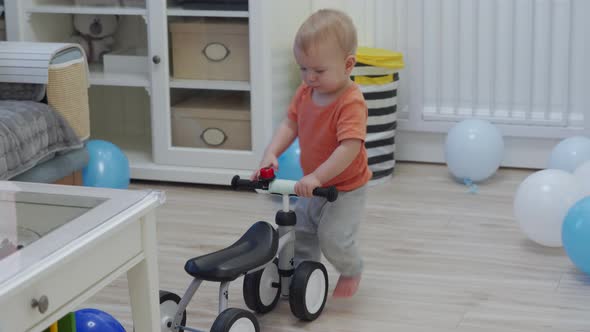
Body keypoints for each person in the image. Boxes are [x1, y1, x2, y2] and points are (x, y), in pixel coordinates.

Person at [252, 8, 371, 298]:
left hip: (345, 187)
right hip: (313, 184)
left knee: (333, 238)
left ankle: (352, 268)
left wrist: (318, 176)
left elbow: (349, 148)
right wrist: (271, 153)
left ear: (348, 64)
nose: (309, 77)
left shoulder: (350, 102)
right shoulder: (305, 92)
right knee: (300, 231)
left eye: (318, 70)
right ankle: (305, 282)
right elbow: (290, 123)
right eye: (303, 69)